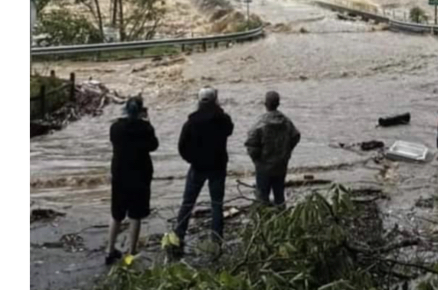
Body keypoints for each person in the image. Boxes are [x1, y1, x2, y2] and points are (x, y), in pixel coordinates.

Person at [172, 87, 233, 255]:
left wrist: (192, 159)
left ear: (199, 101)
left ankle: (178, 237)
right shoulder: (223, 119)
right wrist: (219, 109)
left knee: (187, 203)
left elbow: (182, 147)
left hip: (198, 167)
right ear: (215, 100)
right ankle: (216, 240)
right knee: (217, 204)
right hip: (218, 167)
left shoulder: (191, 122)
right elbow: (230, 130)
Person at [104, 96, 158, 265]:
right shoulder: (145, 128)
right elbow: (153, 145)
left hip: (120, 174)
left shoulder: (116, 128)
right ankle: (130, 252)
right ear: (141, 111)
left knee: (117, 214)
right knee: (136, 215)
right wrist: (147, 121)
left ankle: (110, 250)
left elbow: (114, 141)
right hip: (140, 175)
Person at [245, 90, 301, 207]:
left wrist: (256, 159)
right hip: (281, 164)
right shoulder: (286, 121)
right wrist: (286, 151)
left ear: (265, 104)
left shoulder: (261, 122)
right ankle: (282, 218)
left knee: (262, 196)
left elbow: (251, 142)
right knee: (279, 194)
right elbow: (296, 136)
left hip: (264, 165)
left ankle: (264, 220)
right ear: (278, 104)